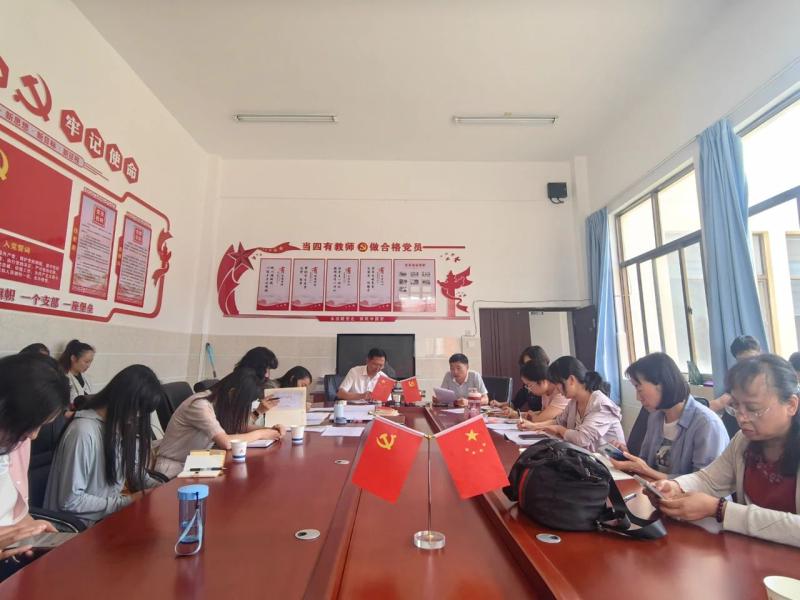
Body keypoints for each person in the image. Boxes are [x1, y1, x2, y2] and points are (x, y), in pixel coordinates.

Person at [649, 354, 800, 548]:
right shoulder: (744, 441)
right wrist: (676, 487)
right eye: (735, 406)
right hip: (755, 552)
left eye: (753, 408)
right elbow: (709, 479)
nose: (741, 418)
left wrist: (720, 509)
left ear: (791, 405)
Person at [44, 365, 164, 527]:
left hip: (103, 520)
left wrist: (163, 488)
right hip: (76, 528)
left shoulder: (118, 427)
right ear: (123, 399)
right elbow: (70, 501)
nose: (137, 417)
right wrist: (126, 501)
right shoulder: (83, 432)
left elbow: (136, 473)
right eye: (137, 410)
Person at [607, 353, 728, 479]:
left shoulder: (706, 424)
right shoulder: (655, 417)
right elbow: (645, 462)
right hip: (655, 489)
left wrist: (646, 471)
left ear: (662, 384)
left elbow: (703, 482)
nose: (638, 397)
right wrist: (628, 457)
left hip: (687, 492)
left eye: (639, 389)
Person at [0, 354, 69, 575]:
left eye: (41, 425)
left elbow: (14, 511)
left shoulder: (15, 443)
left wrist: (30, 528)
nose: (33, 435)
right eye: (30, 425)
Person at [154, 368, 286, 479]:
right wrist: (261, 434)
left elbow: (237, 427)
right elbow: (226, 442)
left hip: (198, 463)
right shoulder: (200, 405)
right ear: (232, 393)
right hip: (174, 470)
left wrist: (269, 430)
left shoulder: (221, 403)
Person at [521, 356, 624, 451]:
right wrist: (535, 426)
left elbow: (581, 439)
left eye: (557, 384)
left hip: (609, 462)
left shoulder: (600, 404)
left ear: (571, 380)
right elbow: (559, 421)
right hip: (586, 459)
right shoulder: (574, 402)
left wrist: (558, 429)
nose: (557, 389)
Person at [491, 346, 549, 412]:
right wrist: (500, 404)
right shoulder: (528, 384)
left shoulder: (551, 385)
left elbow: (546, 415)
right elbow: (516, 403)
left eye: (530, 363)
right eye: (525, 364)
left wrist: (518, 414)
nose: (527, 368)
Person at [512, 360, 569, 425]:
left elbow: (540, 419)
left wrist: (533, 417)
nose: (529, 390)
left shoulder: (561, 392)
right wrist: (518, 414)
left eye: (529, 385)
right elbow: (543, 413)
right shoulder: (545, 392)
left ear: (543, 381)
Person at [57, 339, 95, 407]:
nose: (88, 365)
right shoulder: (62, 378)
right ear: (73, 358)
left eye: (90, 362)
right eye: (86, 362)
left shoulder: (87, 378)